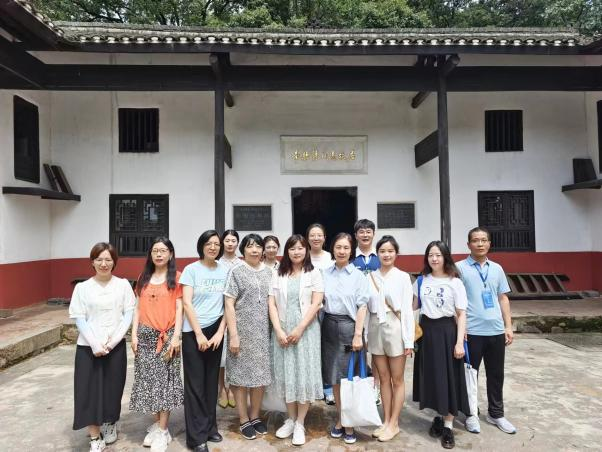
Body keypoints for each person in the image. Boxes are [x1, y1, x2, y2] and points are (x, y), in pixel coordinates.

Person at [69, 242, 136, 452]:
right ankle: (95, 437)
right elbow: (79, 317)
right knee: (88, 391)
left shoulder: (123, 285)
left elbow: (128, 315)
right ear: (92, 262)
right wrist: (95, 343)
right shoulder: (82, 288)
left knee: (113, 388)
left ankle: (109, 422)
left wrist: (113, 341)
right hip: (88, 348)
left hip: (115, 347)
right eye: (99, 259)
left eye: (108, 259)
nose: (104, 264)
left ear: (114, 262)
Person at [456, 227, 516, 435]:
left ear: (489, 243)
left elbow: (503, 298)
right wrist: (460, 328)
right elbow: (456, 302)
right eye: (475, 240)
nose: (480, 244)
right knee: (470, 376)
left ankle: (496, 414)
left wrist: (508, 326)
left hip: (496, 331)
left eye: (483, 240)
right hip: (471, 331)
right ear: (468, 244)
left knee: (496, 374)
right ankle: (471, 414)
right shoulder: (459, 268)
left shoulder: (497, 269)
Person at [412, 241, 470, 450]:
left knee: (448, 378)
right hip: (426, 333)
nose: (434, 259)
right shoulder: (422, 280)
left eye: (438, 255)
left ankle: (448, 426)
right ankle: (438, 416)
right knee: (432, 376)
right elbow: (412, 307)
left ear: (445, 257)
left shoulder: (455, 282)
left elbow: (461, 314)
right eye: (430, 255)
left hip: (447, 332)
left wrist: (459, 342)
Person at [269, 234, 324, 446]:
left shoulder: (314, 273)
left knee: (303, 374)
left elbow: (316, 303)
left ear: (306, 250)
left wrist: (300, 328)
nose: (296, 252)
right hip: (282, 329)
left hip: (306, 330)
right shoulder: (278, 273)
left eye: (300, 248)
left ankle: (300, 422)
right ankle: (291, 419)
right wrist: (278, 330)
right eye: (292, 248)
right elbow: (272, 303)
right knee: (287, 374)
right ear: (287, 252)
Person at [129, 237, 184, 452]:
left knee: (165, 384)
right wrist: (133, 335)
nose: (159, 254)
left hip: (167, 337)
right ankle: (160, 425)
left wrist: (176, 336)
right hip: (145, 337)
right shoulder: (143, 277)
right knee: (148, 382)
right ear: (150, 254)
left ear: (170, 254)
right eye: (155, 251)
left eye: (163, 250)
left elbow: (179, 309)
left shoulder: (177, 277)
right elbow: (137, 308)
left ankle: (162, 431)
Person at [180, 230, 229, 452]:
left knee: (211, 382)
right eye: (208, 243)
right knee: (195, 385)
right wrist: (199, 334)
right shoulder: (191, 270)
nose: (213, 247)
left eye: (216, 244)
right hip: (194, 331)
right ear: (201, 246)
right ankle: (196, 437)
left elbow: (228, 304)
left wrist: (220, 332)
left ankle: (210, 427)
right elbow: (187, 303)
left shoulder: (225, 270)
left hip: (216, 329)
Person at [321, 232, 370, 445]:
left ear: (352, 251)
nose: (342, 251)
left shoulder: (358, 276)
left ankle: (349, 423)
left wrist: (358, 334)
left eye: (346, 248)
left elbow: (362, 306)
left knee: (350, 378)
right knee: (335, 378)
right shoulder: (324, 273)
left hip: (350, 328)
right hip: (328, 326)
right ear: (333, 249)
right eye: (338, 247)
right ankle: (341, 418)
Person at [224, 233, 273, 440]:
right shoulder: (236, 271)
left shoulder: (270, 272)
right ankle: (243, 419)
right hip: (241, 333)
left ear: (263, 250)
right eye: (250, 246)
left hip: (263, 334)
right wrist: (233, 335)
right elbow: (229, 304)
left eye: (258, 246)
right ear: (243, 250)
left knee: (260, 378)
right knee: (240, 378)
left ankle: (255, 416)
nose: (254, 250)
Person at [366, 236, 414, 442]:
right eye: (382, 251)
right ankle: (386, 421)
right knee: (383, 378)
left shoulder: (403, 277)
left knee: (397, 379)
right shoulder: (370, 277)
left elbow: (407, 310)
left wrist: (409, 340)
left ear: (396, 253)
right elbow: (366, 308)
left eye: (390, 251)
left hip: (395, 326)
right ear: (377, 254)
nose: (386, 255)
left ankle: (394, 423)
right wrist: (365, 335)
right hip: (375, 326)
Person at [352, 218, 382, 405]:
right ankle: (358, 387)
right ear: (356, 235)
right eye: (361, 232)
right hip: (356, 312)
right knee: (357, 349)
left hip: (377, 312)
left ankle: (375, 388)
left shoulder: (381, 256)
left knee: (376, 352)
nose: (365, 235)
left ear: (373, 234)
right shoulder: (350, 257)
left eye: (368, 231)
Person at [305, 223, 335, 405]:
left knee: (327, 348)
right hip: (307, 308)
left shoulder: (330, 257)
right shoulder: (303, 256)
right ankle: (312, 387)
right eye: (312, 235)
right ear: (307, 238)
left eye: (319, 235)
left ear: (324, 238)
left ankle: (328, 388)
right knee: (310, 348)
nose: (316, 238)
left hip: (326, 308)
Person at [217, 229, 240, 409]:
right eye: (227, 240)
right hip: (219, 311)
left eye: (233, 240)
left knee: (234, 352)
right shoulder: (217, 263)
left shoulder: (242, 263)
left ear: (237, 243)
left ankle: (232, 387)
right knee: (220, 353)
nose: (230, 243)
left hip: (237, 311)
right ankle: (221, 389)